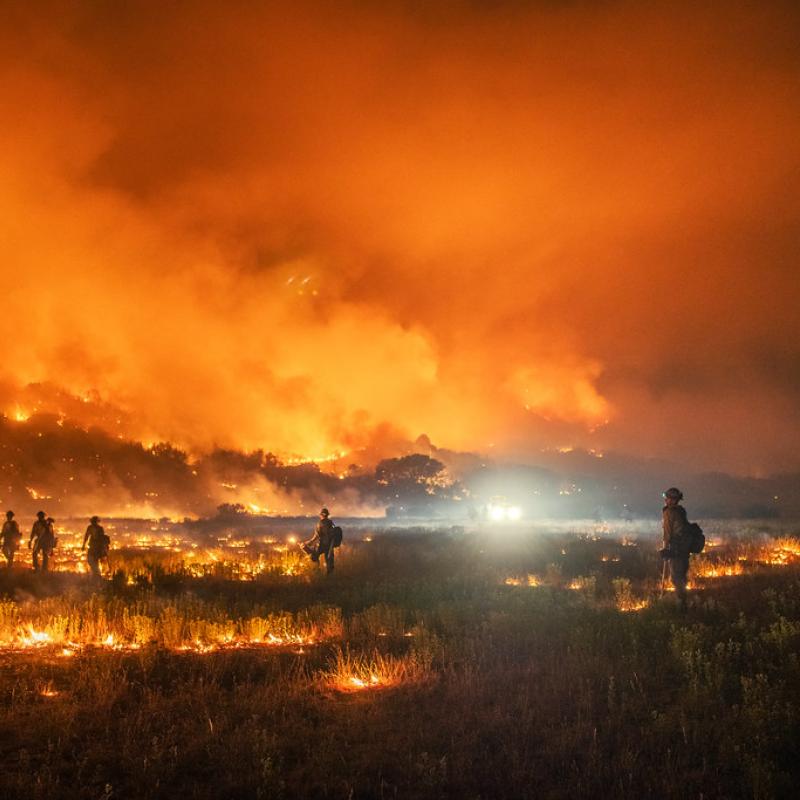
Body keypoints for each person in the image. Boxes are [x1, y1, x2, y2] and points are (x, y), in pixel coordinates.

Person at [661, 487, 691, 610]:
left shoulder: (669, 512)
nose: (665, 500)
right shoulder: (681, 511)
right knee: (682, 576)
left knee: (676, 577)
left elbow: (667, 533)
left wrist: (665, 548)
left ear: (672, 500)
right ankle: (683, 601)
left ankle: (681, 605)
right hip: (684, 549)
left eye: (667, 498)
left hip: (676, 549)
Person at [302, 507, 336, 574]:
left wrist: (308, 542)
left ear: (322, 515)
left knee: (314, 556)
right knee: (329, 561)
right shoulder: (331, 523)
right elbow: (334, 533)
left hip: (322, 545)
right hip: (330, 545)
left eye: (321, 515)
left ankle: (317, 571)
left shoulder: (320, 523)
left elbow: (316, 536)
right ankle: (330, 577)